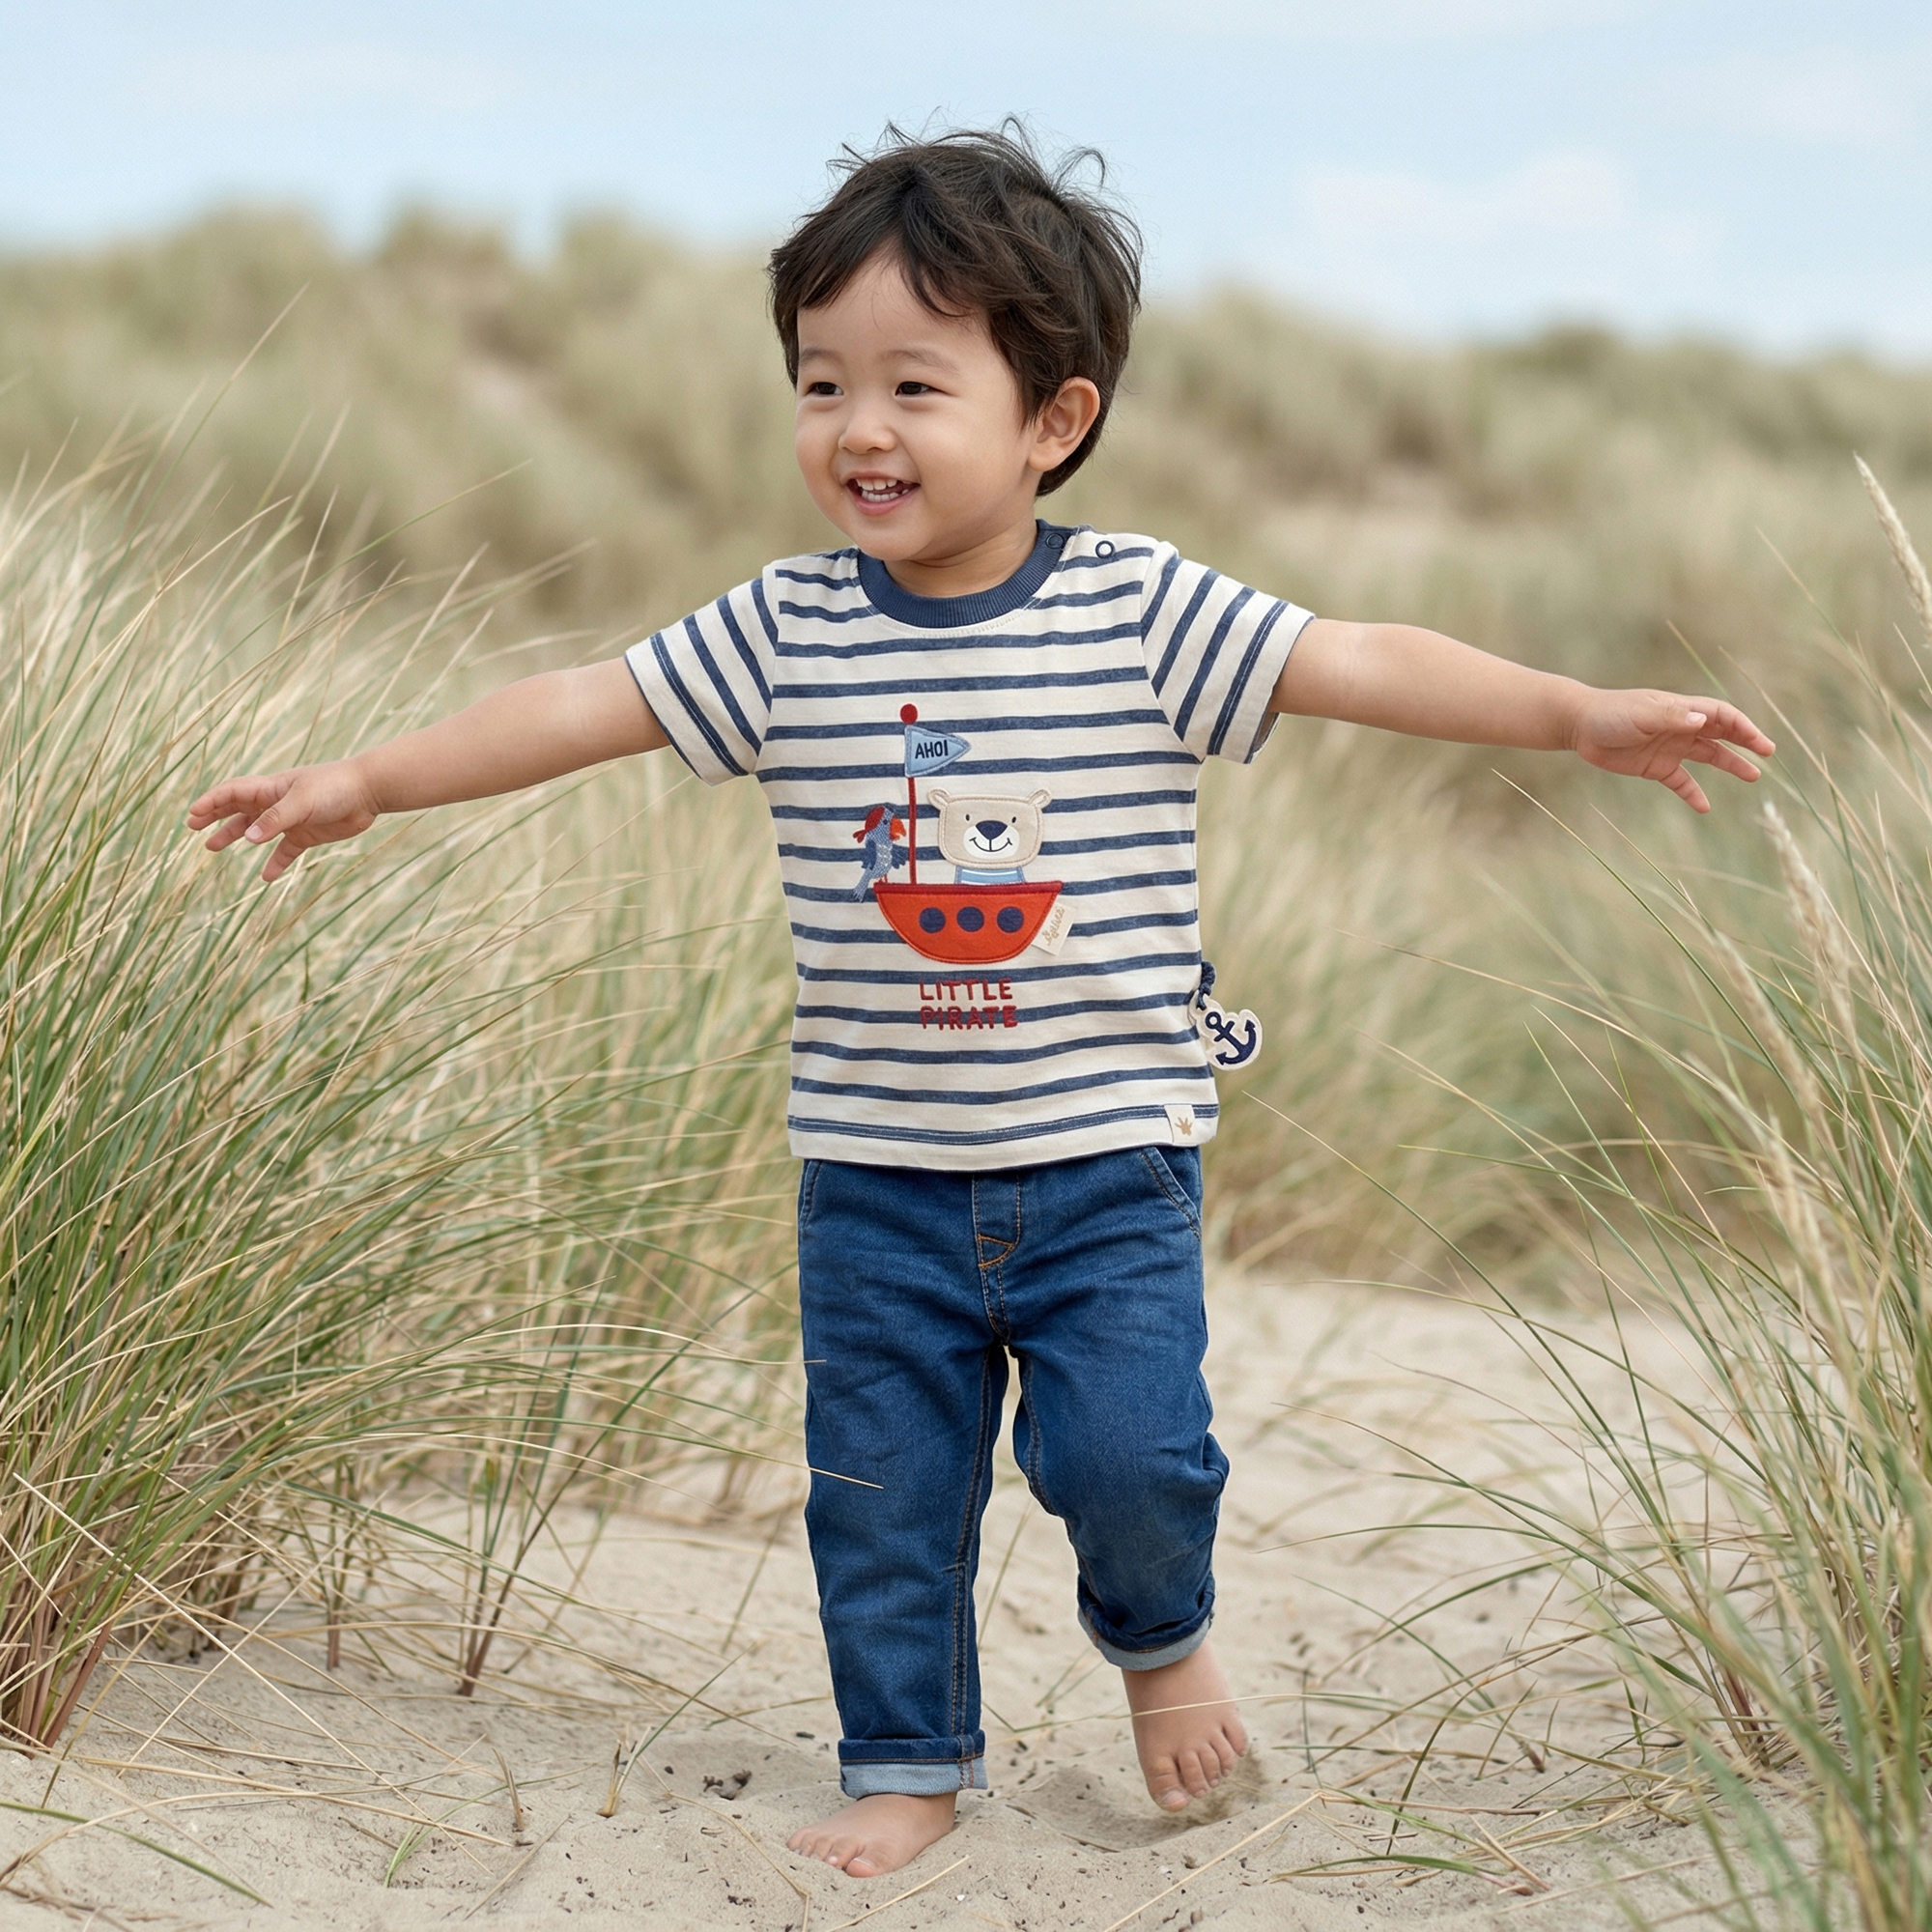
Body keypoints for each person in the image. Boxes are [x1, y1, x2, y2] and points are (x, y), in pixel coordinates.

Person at [187, 127, 1774, 1881]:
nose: (859, 428)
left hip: (1110, 1163)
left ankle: (1160, 1642)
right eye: (822, 381)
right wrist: (370, 780)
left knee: (1133, 1459)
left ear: (1051, 421)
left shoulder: (1142, 609)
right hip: (875, 1179)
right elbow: (579, 703)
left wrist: (1571, 712)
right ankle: (909, 1764)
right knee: (881, 1504)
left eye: (916, 384)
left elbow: (1363, 659)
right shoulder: (784, 633)